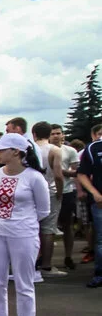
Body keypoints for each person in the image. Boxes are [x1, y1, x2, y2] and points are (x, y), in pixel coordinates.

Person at [0, 134, 49, 316]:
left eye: (2, 149)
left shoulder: (34, 177)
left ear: (16, 152)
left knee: (24, 283)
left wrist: (23, 223)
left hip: (24, 233)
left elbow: (43, 210)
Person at [33, 122, 66, 278]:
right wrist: (60, 193)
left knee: (33, 227)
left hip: (31, 192)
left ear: (34, 134)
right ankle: (46, 265)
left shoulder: (30, 148)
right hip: (49, 191)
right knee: (48, 228)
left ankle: (33, 261)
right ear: (49, 134)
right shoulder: (54, 150)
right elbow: (58, 175)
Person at [51, 125, 80, 269]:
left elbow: (76, 172)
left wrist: (60, 171)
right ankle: (45, 259)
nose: (56, 136)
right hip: (49, 191)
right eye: (53, 134)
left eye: (58, 133)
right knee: (47, 227)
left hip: (68, 190)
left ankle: (68, 256)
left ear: (63, 135)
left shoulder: (70, 151)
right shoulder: (46, 151)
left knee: (67, 224)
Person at [77, 123, 102, 288]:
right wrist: (94, 192)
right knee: (101, 240)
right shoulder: (93, 148)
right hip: (100, 202)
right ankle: (100, 274)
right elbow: (82, 173)